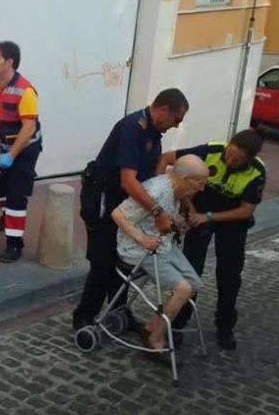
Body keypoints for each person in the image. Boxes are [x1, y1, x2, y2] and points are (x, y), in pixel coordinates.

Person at [72, 88, 189, 332]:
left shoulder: (154, 132)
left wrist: (169, 209)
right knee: (103, 262)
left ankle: (118, 313)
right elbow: (128, 180)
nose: (176, 125)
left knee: (122, 262)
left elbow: (152, 176)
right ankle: (84, 317)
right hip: (105, 201)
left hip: (127, 205)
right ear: (164, 109)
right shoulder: (132, 129)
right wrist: (157, 211)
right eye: (176, 119)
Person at [155, 128, 267, 350]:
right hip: (199, 216)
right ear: (228, 143)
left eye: (237, 160)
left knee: (229, 275)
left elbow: (246, 210)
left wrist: (208, 217)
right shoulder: (211, 150)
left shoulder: (257, 172)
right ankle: (178, 323)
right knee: (190, 271)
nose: (229, 161)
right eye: (229, 154)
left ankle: (225, 325)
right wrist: (176, 201)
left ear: (249, 159)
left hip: (232, 223)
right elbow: (167, 159)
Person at [111, 154, 209, 351]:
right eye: (200, 183)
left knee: (194, 284)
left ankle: (151, 328)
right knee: (183, 289)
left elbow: (162, 217)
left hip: (163, 244)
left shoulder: (176, 190)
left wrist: (177, 222)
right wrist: (143, 239)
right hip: (138, 248)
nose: (202, 188)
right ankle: (155, 339)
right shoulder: (156, 190)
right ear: (184, 179)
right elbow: (117, 214)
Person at [0, 41, 42, 263]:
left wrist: (12, 156)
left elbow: (29, 128)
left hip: (24, 150)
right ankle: (8, 215)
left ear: (10, 62)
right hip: (0, 147)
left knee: (16, 195)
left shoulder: (25, 91)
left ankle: (14, 245)